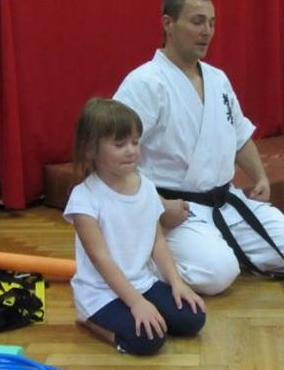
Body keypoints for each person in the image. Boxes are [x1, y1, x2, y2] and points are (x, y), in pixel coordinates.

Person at [113, 0, 284, 294]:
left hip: (225, 200)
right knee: (217, 274)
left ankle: (215, 249)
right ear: (168, 24)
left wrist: (260, 176)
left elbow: (239, 136)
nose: (207, 31)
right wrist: (159, 206)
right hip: (174, 210)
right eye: (197, 21)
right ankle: (148, 257)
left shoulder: (218, 79)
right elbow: (113, 156)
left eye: (212, 23)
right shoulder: (145, 82)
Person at [63, 98, 206, 356]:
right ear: (91, 150)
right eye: (119, 144)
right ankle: (90, 320)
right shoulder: (84, 198)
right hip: (101, 293)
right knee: (148, 340)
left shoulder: (147, 187)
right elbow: (101, 259)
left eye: (135, 142)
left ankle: (142, 311)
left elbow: (157, 242)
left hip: (143, 283)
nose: (131, 150)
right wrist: (137, 303)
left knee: (192, 319)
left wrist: (176, 282)